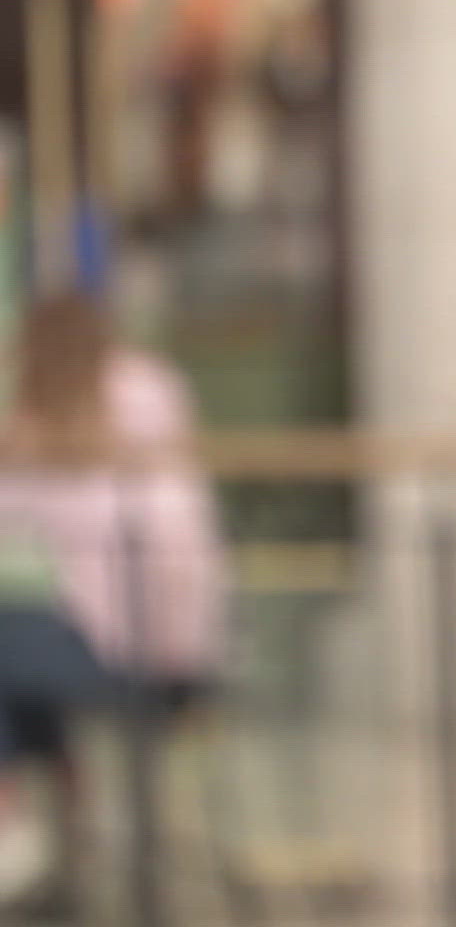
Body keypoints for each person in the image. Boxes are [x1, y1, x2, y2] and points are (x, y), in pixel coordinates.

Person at [0, 292, 226, 910]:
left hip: (140, 651)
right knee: (19, 673)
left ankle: (16, 823)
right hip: (184, 644)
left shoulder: (71, 414)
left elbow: (19, 501)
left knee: (5, 655)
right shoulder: (148, 389)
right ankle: (54, 838)